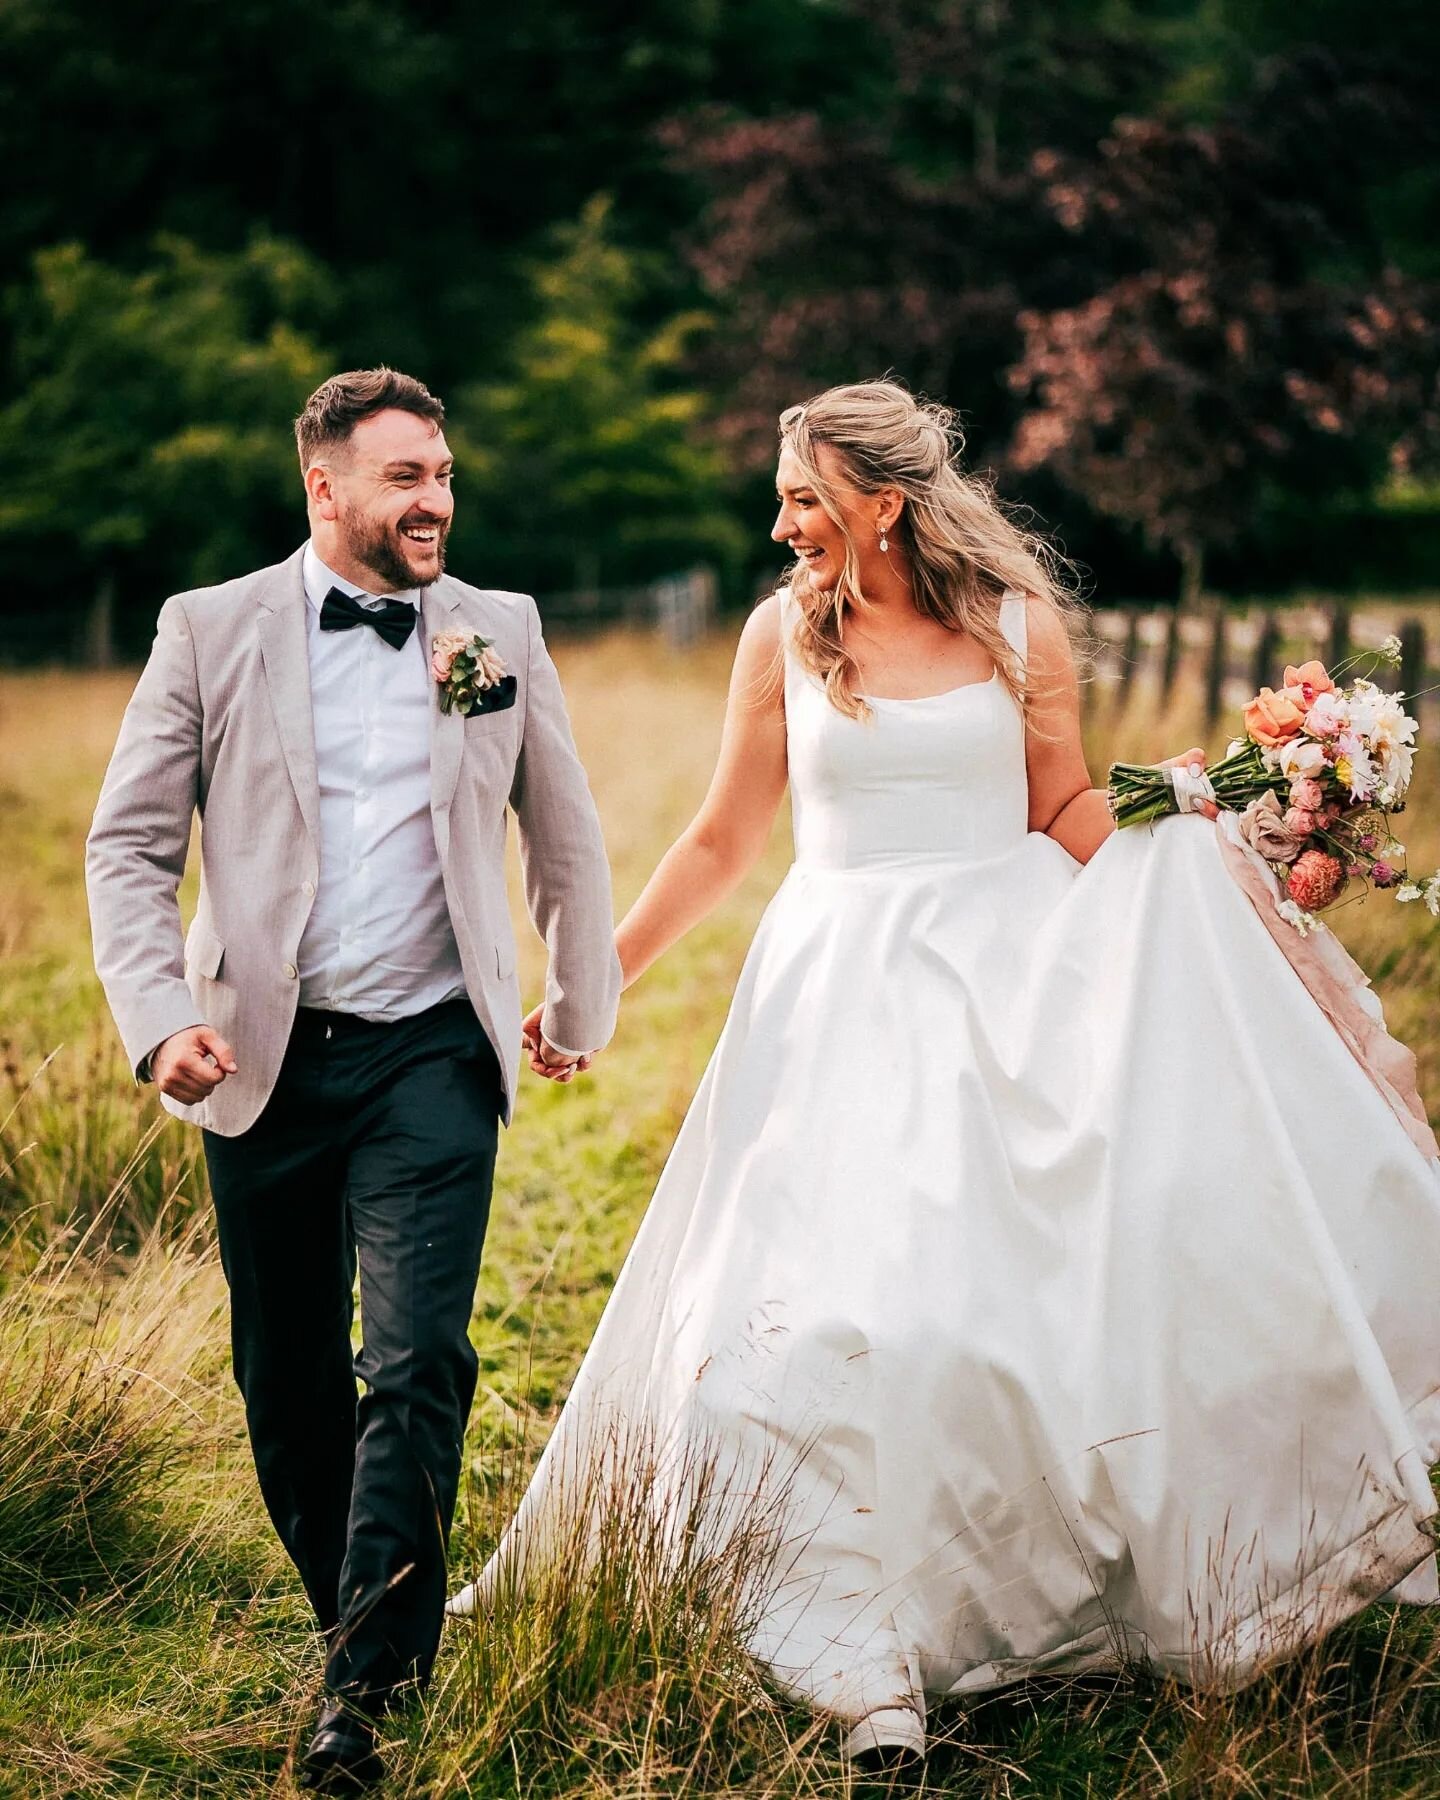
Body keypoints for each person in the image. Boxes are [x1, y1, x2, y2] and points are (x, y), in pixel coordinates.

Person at [451, 379, 1440, 1766]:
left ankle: (974, 1606)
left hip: (1002, 998)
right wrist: (594, 982)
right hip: (833, 998)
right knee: (802, 1325)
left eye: (806, 496)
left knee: (976, 1327)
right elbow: (726, 841)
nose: (781, 520)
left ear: (886, 505)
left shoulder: (1021, 627)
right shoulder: (779, 637)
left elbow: (1065, 811)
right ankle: (859, 1669)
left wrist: (1225, 856)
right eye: (785, 494)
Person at [85, 368, 620, 1792]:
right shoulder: (209, 632)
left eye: (442, 471)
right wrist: (156, 1021)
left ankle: (364, 1695)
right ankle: (366, 1613)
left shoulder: (495, 633)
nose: (434, 498)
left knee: (422, 1358)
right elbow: (127, 850)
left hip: (435, 1048)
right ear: (323, 489)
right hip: (257, 1053)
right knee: (288, 1377)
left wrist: (576, 995)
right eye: (403, 477)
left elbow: (559, 829)